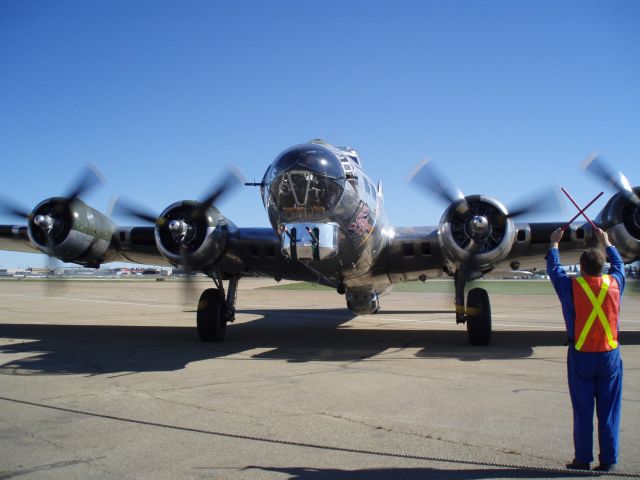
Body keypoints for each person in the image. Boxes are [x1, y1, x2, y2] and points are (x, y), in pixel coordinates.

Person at [547, 227, 625, 472]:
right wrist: (607, 242)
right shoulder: (615, 283)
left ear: (580, 268)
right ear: (602, 267)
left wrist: (554, 244)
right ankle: (609, 461)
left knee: (582, 411)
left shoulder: (571, 287)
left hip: (581, 356)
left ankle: (582, 459)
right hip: (610, 356)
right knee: (609, 412)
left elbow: (554, 270)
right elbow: (620, 265)